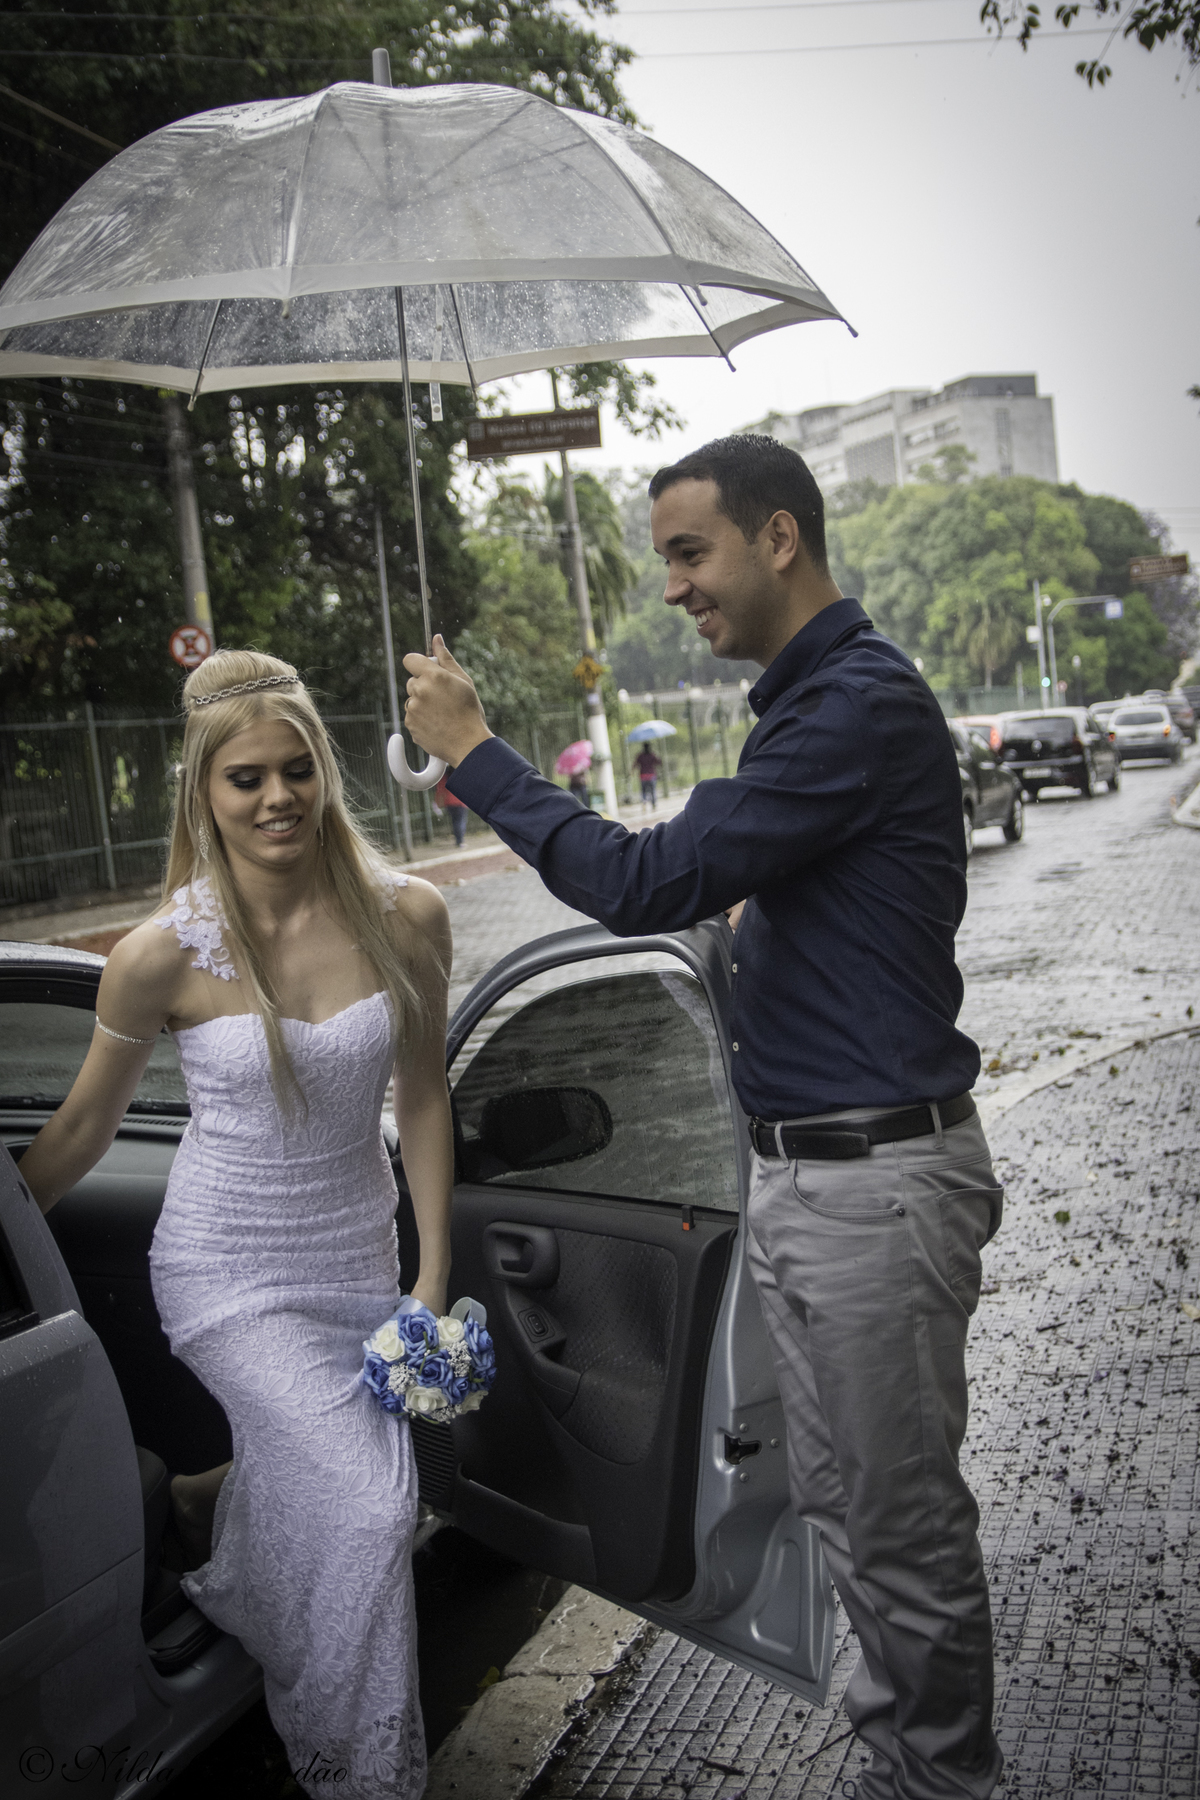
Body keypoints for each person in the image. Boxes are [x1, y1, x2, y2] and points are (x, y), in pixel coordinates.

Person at [401, 436, 1003, 1800]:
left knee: (897, 1532)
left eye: (689, 551)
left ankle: (937, 1781)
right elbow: (754, 901)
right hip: (822, 1180)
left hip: (871, 1184)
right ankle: (904, 1766)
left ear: (778, 535)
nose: (673, 584)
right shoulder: (806, 710)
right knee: (851, 1509)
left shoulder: (851, 703)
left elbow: (637, 878)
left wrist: (476, 755)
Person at [20, 649, 453, 1800]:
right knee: (374, 1511)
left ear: (325, 770)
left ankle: (214, 1509)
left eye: (296, 769)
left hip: (361, 1261)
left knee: (331, 1482)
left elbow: (421, 1102)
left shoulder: (409, 916)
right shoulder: (158, 956)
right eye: (246, 778)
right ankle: (356, 1772)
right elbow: (77, 1136)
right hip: (226, 1272)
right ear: (203, 795)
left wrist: (433, 1273)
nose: (277, 799)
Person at [435, 770, 469, 847]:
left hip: (449, 803)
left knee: (455, 822)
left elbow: (440, 791)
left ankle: (458, 839)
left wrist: (438, 802)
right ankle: (460, 840)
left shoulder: (444, 778)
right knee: (460, 821)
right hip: (460, 802)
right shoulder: (460, 776)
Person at [633, 743, 661, 810]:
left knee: (643, 791)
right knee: (653, 791)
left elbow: (635, 764)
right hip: (651, 776)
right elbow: (659, 762)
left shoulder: (640, 755)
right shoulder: (652, 755)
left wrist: (632, 771)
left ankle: (644, 803)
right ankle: (654, 804)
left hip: (643, 776)